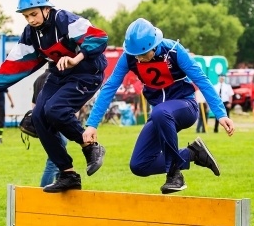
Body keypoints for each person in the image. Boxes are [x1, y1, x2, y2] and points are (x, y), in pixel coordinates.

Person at [0, 0, 108, 193]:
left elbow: (98, 36)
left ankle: (90, 146)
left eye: (34, 14)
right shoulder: (31, 34)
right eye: (26, 17)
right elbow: (14, 64)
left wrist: (76, 58)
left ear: (46, 9)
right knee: (38, 116)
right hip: (59, 75)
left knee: (54, 110)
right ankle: (68, 173)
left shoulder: (64, 20)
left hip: (86, 72)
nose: (31, 20)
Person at [83, 18, 235, 194]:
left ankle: (174, 176)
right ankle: (194, 153)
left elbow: (201, 80)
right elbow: (110, 87)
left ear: (153, 46)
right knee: (139, 164)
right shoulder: (129, 57)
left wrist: (221, 113)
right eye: (136, 55)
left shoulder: (174, 51)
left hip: (185, 107)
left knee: (160, 112)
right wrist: (92, 124)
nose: (139, 59)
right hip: (160, 116)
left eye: (143, 54)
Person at [31, 69, 62, 187]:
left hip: (43, 122)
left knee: (60, 157)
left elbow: (34, 104)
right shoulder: (57, 78)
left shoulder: (38, 79)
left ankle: (62, 186)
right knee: (54, 160)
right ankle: (43, 192)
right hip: (56, 121)